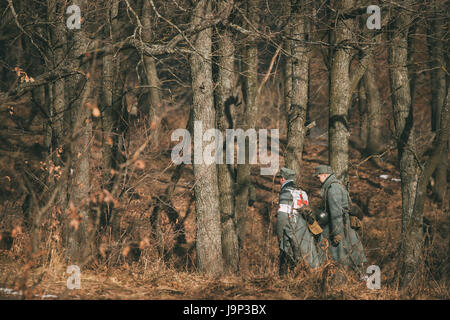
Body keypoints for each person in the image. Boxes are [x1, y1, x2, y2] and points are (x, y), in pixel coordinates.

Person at [313, 165, 367, 275]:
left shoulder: (333, 189)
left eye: (318, 177)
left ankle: (354, 281)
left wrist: (336, 233)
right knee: (352, 254)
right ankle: (360, 280)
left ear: (324, 175)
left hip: (341, 226)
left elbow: (336, 212)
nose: (318, 180)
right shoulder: (335, 185)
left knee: (342, 256)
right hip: (344, 225)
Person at [276, 167, 322, 276]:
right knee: (306, 252)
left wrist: (279, 233)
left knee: (286, 251)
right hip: (302, 223)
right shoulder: (302, 191)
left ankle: (286, 278)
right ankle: (311, 276)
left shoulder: (285, 192)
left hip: (291, 222)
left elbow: (282, 215)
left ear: (282, 179)